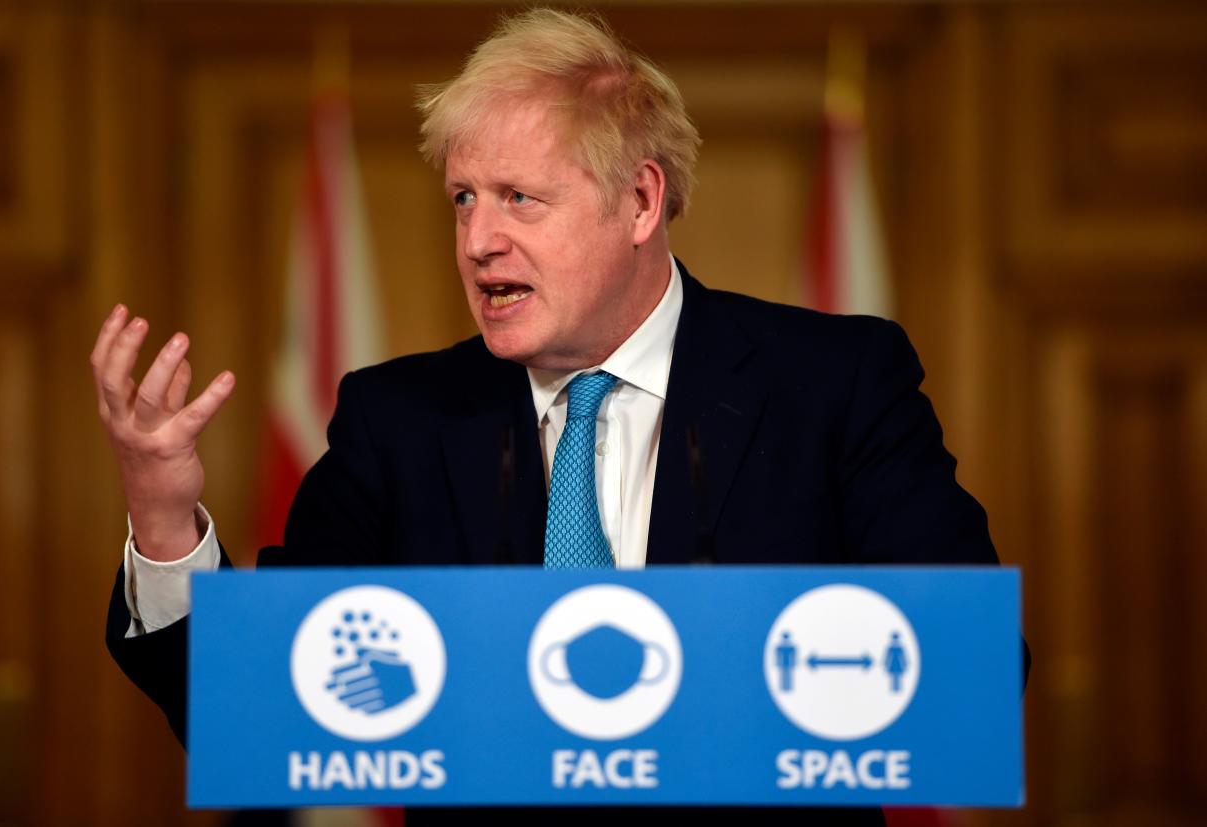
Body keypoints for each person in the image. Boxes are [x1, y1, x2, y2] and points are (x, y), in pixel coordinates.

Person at [96, 9, 1018, 825]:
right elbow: (257, 705)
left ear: (641, 202)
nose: (477, 241)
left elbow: (972, 671)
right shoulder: (402, 420)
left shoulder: (834, 384)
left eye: (519, 199)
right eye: (463, 198)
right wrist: (163, 515)